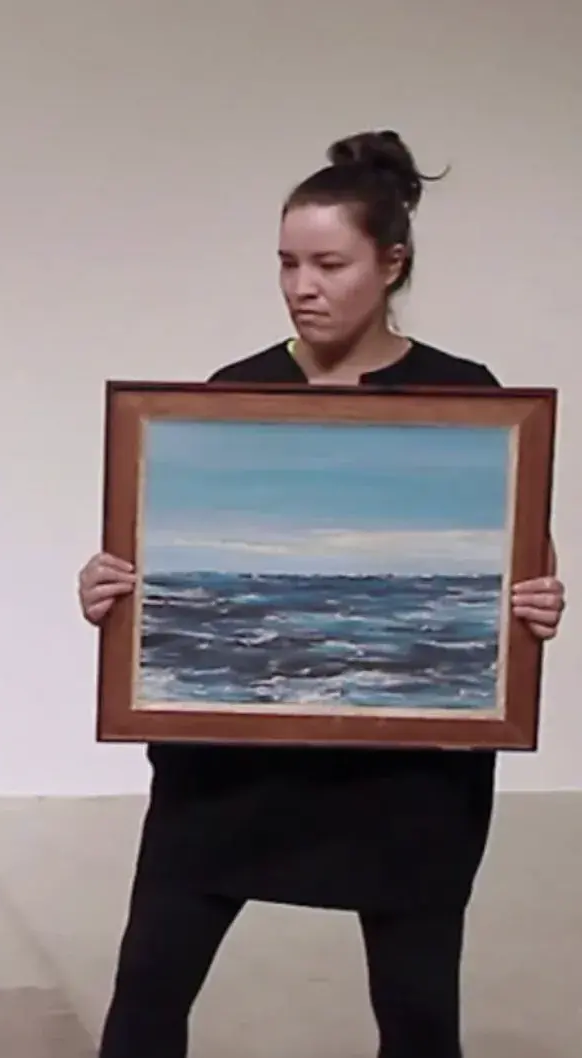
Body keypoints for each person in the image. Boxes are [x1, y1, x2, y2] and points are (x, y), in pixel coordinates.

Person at [77, 130, 566, 1058]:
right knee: (146, 997)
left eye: (329, 263)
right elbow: (163, 565)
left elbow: (522, 564)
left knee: (419, 1016)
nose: (303, 286)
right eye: (288, 263)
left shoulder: (463, 399)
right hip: (230, 762)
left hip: (408, 774)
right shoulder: (231, 396)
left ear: (392, 263)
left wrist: (537, 604)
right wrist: (112, 590)